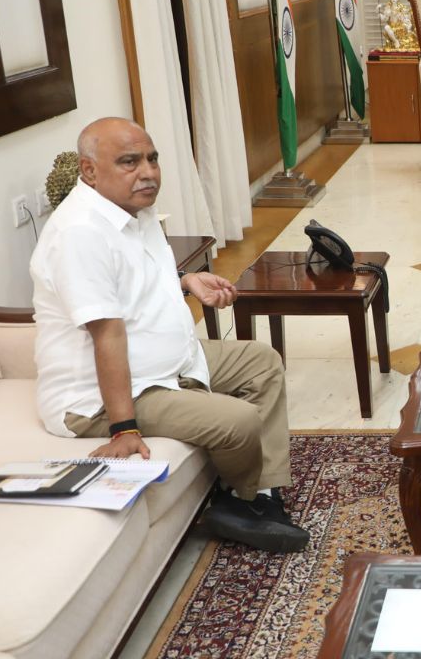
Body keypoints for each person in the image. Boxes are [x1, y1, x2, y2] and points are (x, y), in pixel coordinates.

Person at [29, 117, 309, 553]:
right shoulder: (79, 233)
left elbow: (132, 282)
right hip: (102, 396)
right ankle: (241, 501)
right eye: (129, 162)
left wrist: (186, 283)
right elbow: (107, 334)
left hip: (165, 362)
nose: (148, 172)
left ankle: (254, 497)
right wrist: (124, 430)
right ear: (89, 171)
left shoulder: (131, 211)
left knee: (261, 362)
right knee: (239, 421)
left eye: (152, 158)